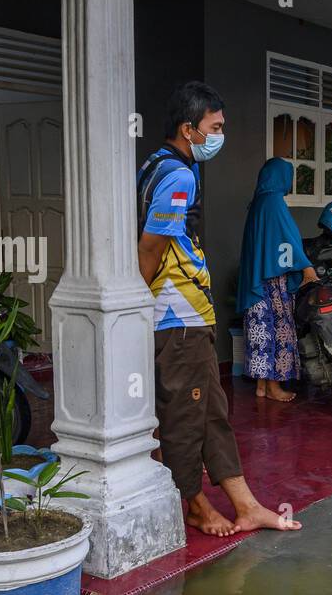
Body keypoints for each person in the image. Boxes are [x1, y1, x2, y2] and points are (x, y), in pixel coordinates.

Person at [136, 81, 301, 537]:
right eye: (215, 127)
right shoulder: (179, 175)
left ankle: (246, 505)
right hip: (176, 316)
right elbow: (151, 246)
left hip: (190, 315)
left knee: (212, 413)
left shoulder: (154, 164)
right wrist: (139, 303)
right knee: (185, 417)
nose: (220, 135)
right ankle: (193, 505)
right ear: (188, 129)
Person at [238, 157, 318, 402]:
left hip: (257, 281)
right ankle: (274, 387)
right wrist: (306, 267)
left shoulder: (259, 203)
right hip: (272, 283)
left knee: (261, 332)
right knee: (278, 330)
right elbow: (288, 240)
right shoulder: (274, 203)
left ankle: (262, 386)